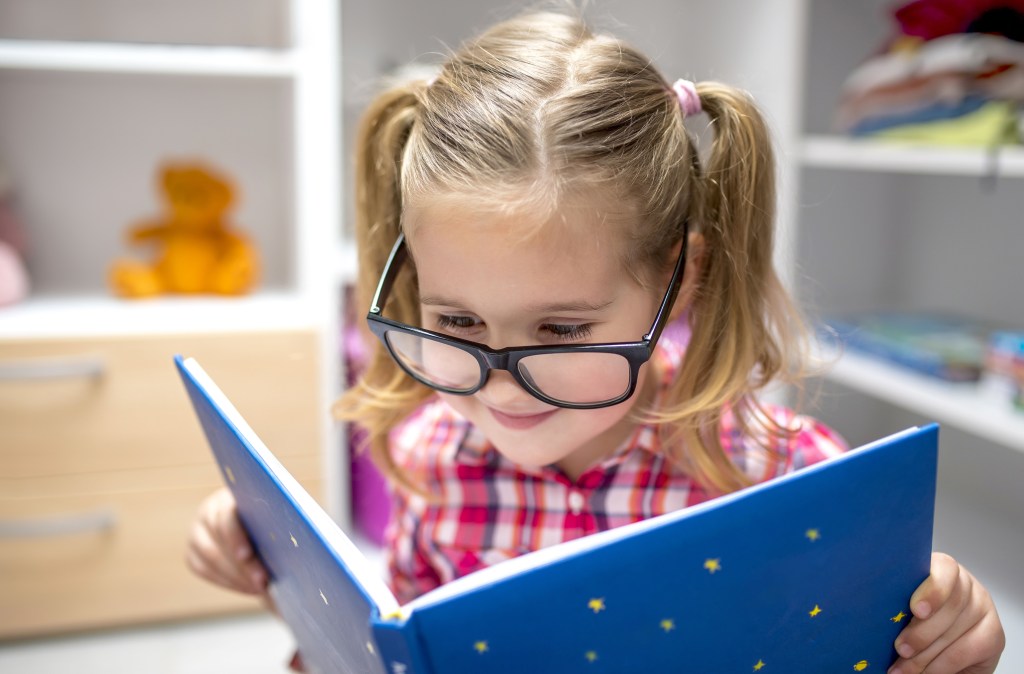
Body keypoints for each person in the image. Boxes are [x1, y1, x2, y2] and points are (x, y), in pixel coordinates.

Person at [187, 9, 1005, 673]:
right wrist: (283, 578)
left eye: (561, 330)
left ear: (679, 279)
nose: (500, 388)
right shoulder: (429, 457)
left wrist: (946, 642)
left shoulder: (788, 478)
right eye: (457, 323)